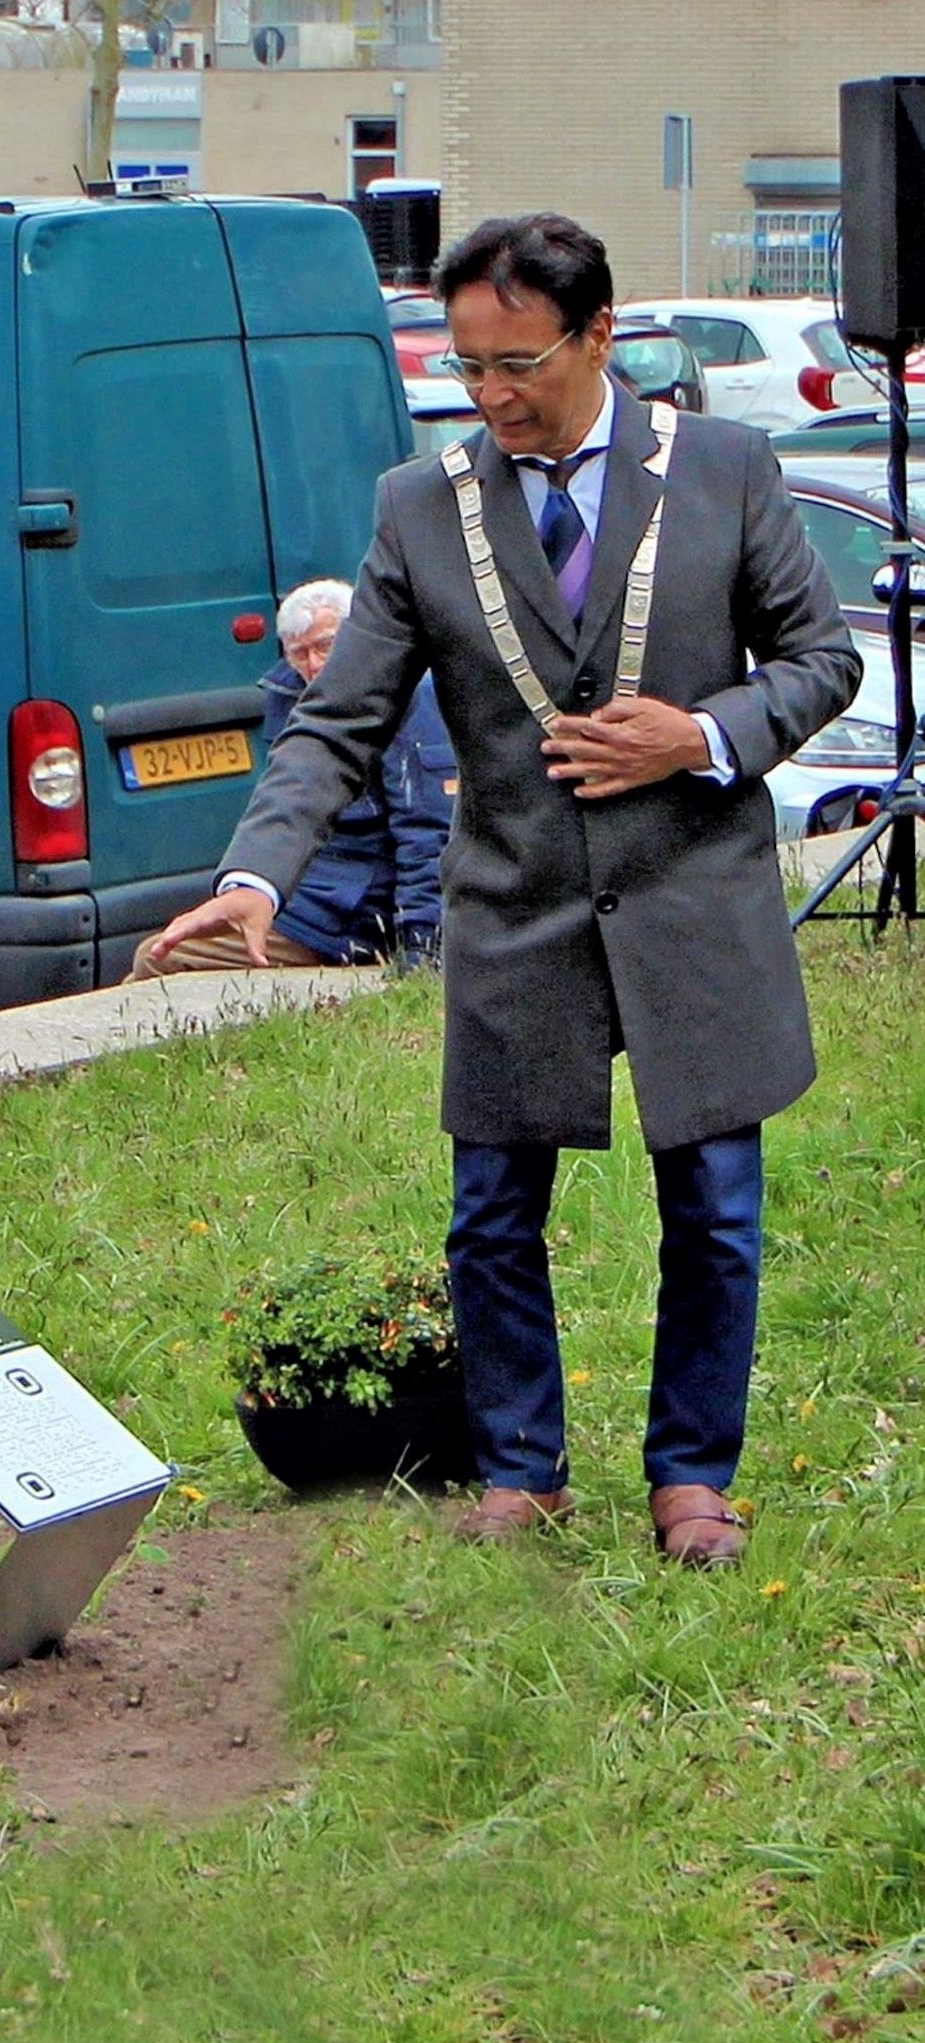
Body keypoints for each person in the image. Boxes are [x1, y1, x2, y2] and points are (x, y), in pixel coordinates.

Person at [146, 214, 861, 1568]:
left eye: (518, 364)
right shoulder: (421, 509)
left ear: (600, 334)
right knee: (492, 1213)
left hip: (694, 902)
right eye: (469, 369)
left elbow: (821, 660)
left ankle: (692, 1479)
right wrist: (259, 874)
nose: (491, 396)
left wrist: (698, 737)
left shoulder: (726, 469)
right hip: (515, 909)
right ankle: (522, 1467)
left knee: (713, 1205)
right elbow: (338, 718)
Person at [130, 577, 454, 978]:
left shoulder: (412, 699)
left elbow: (427, 833)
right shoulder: (289, 695)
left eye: (325, 645)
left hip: (346, 913)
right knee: (156, 952)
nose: (314, 665)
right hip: (301, 899)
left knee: (157, 959)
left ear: (359, 637)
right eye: (299, 653)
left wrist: (422, 946)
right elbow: (290, 802)